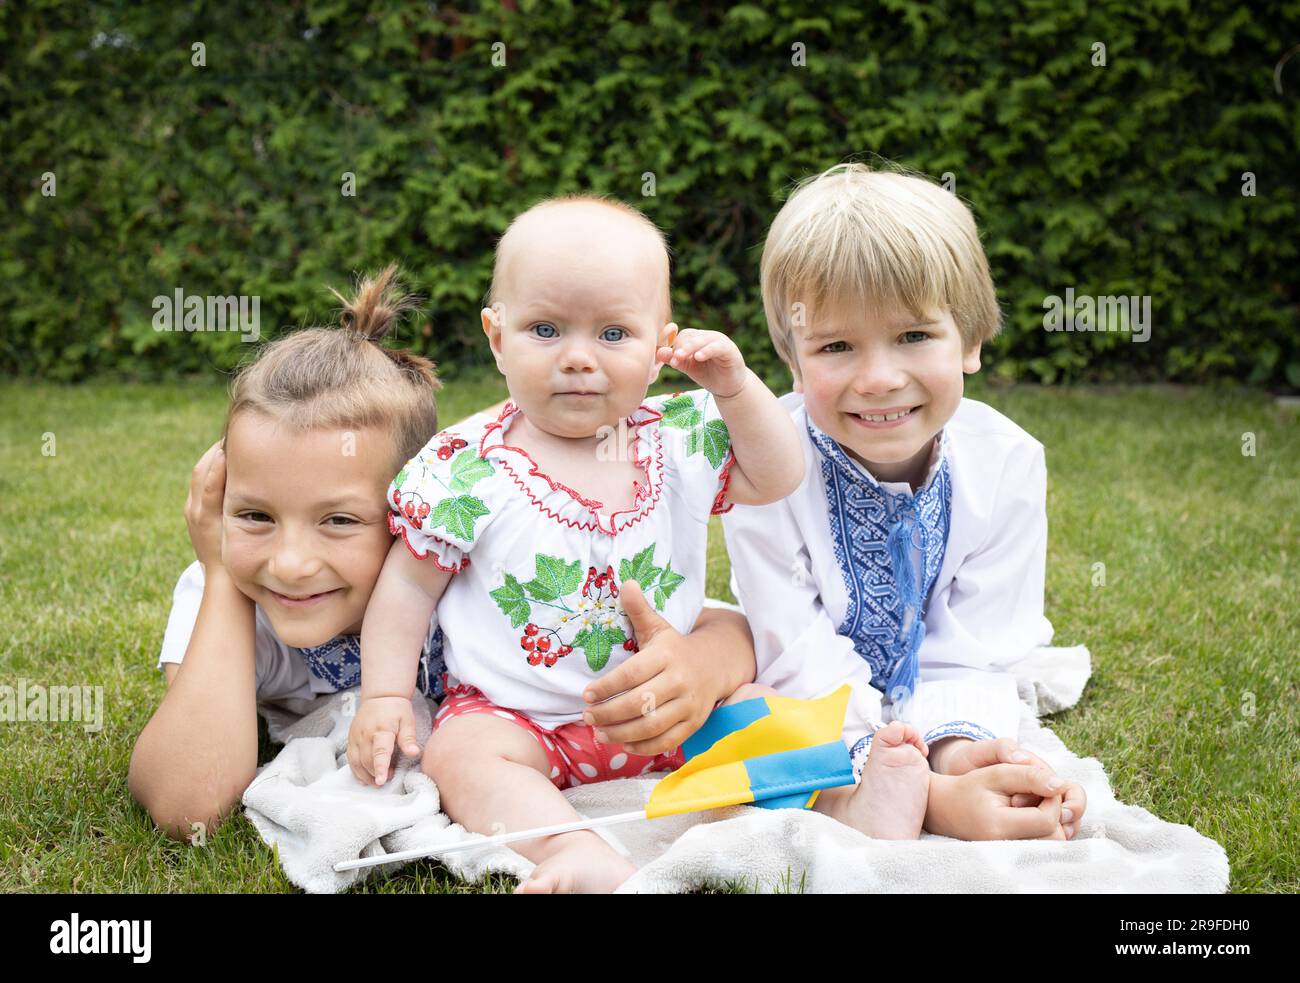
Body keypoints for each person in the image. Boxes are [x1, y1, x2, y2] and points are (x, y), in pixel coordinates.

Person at [346, 195, 805, 892]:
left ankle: (810, 806)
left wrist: (737, 390)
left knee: (767, 714)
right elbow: (408, 586)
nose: (579, 359)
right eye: (546, 328)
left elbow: (778, 475)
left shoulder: (681, 437)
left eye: (614, 334)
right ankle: (568, 845)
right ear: (497, 337)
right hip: (520, 716)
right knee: (460, 754)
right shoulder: (466, 467)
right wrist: (384, 695)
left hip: (671, 705)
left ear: (661, 348)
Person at [722, 162, 1088, 841]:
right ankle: (919, 799)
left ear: (971, 339)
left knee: (977, 740)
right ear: (794, 362)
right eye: (836, 345)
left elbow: (976, 644)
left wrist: (957, 745)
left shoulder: (1007, 462)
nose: (881, 378)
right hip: (809, 687)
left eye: (914, 336)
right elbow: (790, 642)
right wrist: (881, 748)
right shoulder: (762, 465)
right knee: (737, 709)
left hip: (949, 682)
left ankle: (947, 778)